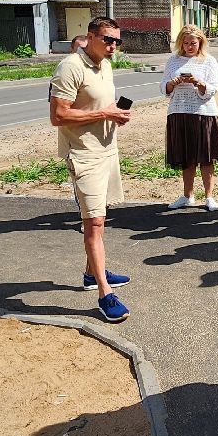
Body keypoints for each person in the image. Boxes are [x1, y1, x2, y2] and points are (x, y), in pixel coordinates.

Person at [49, 17, 134, 324]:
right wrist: (104, 112)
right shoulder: (70, 67)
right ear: (90, 37)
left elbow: (102, 105)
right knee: (94, 222)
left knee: (101, 216)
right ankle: (103, 293)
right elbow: (58, 115)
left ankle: (90, 272)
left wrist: (115, 114)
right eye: (108, 40)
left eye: (117, 41)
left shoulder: (105, 66)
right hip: (84, 155)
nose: (113, 46)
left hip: (107, 150)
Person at [163, 26, 218, 211]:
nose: (189, 46)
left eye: (193, 43)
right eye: (186, 43)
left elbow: (213, 88)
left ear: (200, 42)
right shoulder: (173, 60)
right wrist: (172, 83)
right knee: (186, 157)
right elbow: (163, 86)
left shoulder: (209, 61)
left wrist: (197, 82)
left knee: (206, 157)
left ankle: (209, 197)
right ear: (180, 43)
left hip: (203, 112)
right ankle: (187, 195)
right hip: (179, 111)